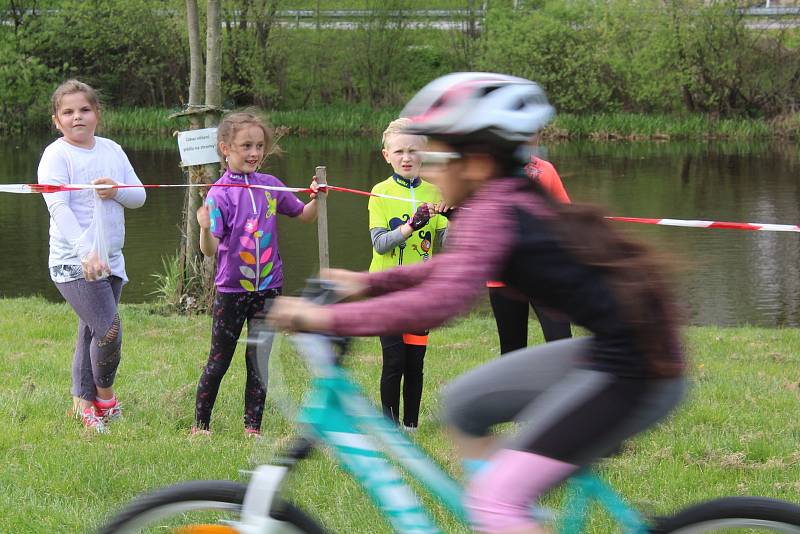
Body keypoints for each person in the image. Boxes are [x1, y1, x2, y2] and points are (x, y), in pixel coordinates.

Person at [270, 73, 685, 533]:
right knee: (464, 403)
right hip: (616, 351)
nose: (426, 168)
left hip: (637, 370)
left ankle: (504, 513)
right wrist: (365, 285)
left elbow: (442, 300)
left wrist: (327, 317)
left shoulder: (496, 208)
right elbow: (449, 270)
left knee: (495, 500)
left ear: (479, 162)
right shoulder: (498, 200)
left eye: (438, 157)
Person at [192, 110, 320, 437]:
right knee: (219, 361)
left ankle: (253, 428)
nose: (254, 153)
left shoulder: (271, 186)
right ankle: (201, 426)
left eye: (259, 146)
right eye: (246, 146)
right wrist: (204, 228)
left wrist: (317, 198)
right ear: (225, 148)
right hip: (232, 292)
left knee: (258, 361)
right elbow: (209, 249)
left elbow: (304, 215)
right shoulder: (219, 194)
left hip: (269, 289)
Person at [38, 79, 146, 433]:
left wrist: (116, 191)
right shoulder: (57, 155)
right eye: (68, 112)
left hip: (112, 258)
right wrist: (86, 253)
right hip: (75, 262)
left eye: (84, 109)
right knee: (109, 330)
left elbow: (139, 196)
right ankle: (105, 400)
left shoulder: (112, 150)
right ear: (57, 120)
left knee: (91, 332)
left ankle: (82, 407)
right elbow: (58, 207)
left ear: (97, 113)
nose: (77, 117)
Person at [368, 117, 448, 430]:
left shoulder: (434, 191)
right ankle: (390, 429)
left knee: (415, 363)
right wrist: (410, 226)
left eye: (413, 151)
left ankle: (410, 428)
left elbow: (449, 243)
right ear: (386, 155)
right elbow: (379, 244)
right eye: (399, 151)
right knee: (394, 361)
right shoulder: (380, 192)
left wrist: (453, 217)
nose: (406, 157)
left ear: (423, 154)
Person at [488, 151, 572, 354]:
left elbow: (567, 219)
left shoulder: (546, 170)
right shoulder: (485, 169)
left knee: (562, 344)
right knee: (512, 352)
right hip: (504, 275)